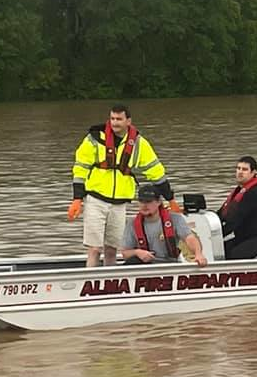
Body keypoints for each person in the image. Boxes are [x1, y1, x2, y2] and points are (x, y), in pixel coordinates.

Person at [68, 104, 181, 267]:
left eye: (119, 119)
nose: (115, 123)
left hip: (119, 203)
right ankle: (90, 283)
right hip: (95, 199)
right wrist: (77, 199)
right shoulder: (94, 139)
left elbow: (155, 171)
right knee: (94, 248)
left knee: (112, 249)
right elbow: (80, 168)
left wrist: (170, 199)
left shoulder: (138, 143)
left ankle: (110, 282)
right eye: (112, 119)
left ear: (128, 121)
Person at [120, 185, 207, 267]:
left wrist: (198, 254)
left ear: (158, 202)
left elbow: (189, 238)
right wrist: (137, 252)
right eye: (141, 201)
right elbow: (125, 253)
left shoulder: (175, 218)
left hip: (170, 265)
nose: (144, 205)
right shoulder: (132, 223)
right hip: (145, 266)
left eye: (149, 201)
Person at [218, 156, 257, 259]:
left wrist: (216, 237)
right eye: (238, 168)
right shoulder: (238, 192)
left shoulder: (255, 193)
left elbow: (235, 221)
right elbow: (222, 214)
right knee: (218, 250)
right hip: (244, 238)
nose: (240, 172)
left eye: (245, 169)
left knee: (234, 255)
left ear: (253, 172)